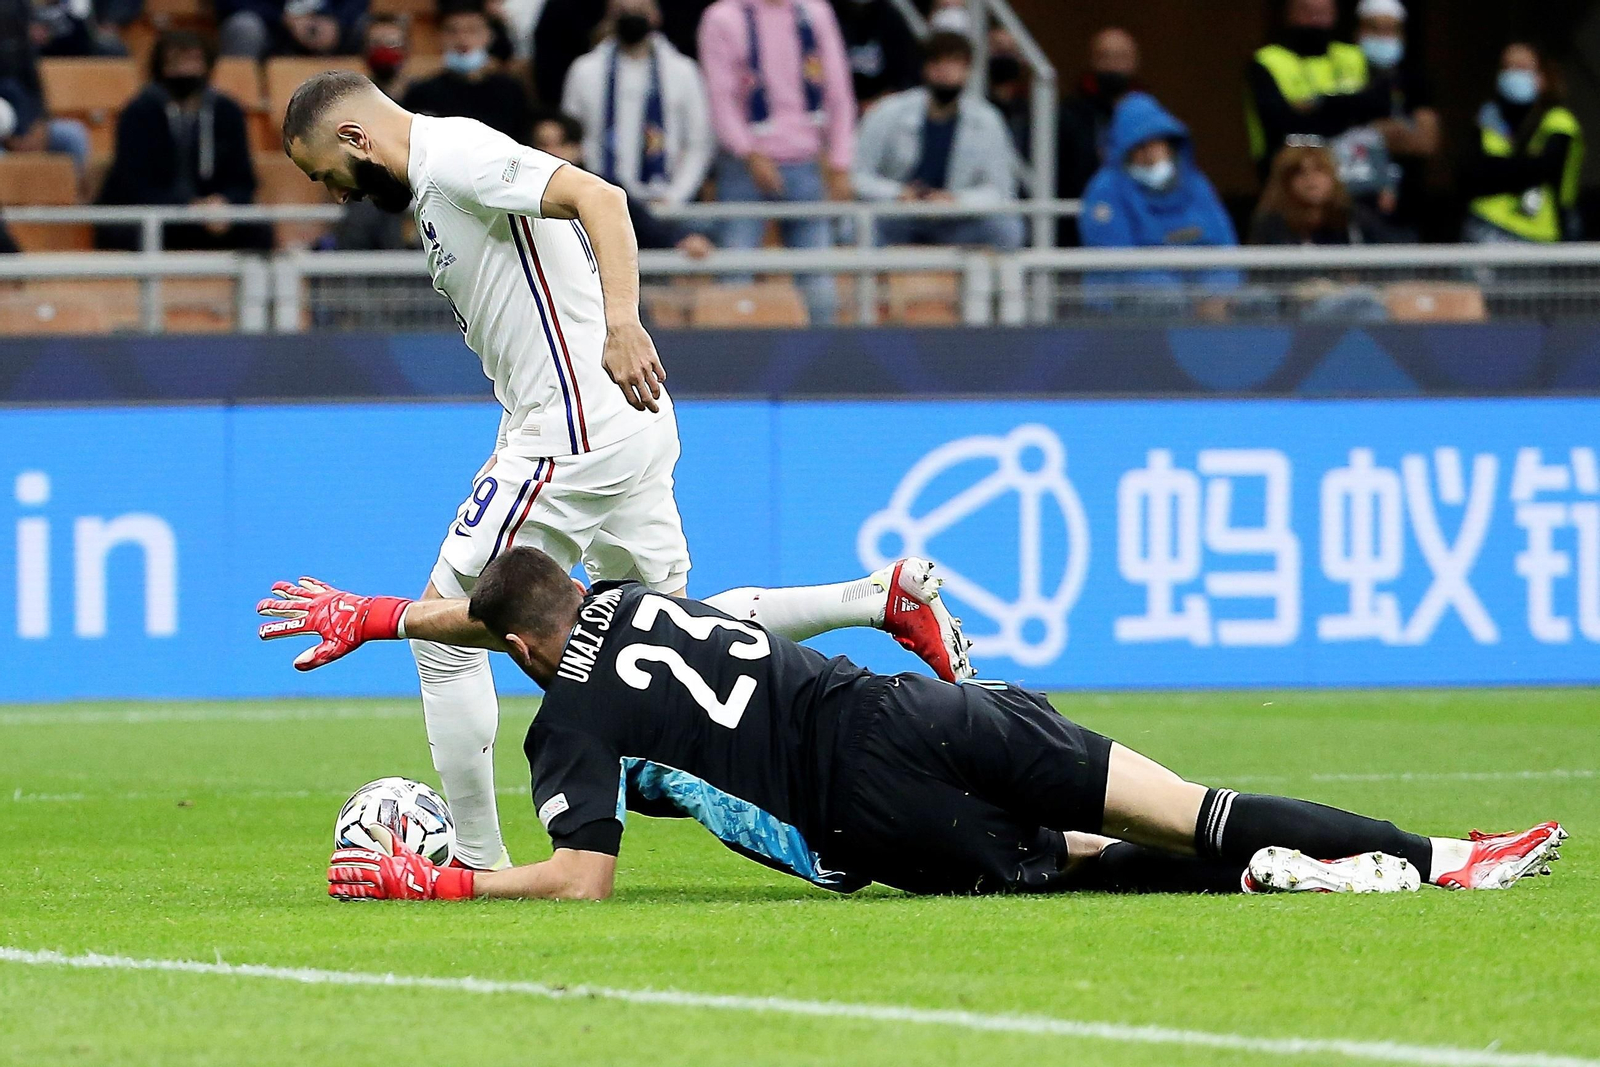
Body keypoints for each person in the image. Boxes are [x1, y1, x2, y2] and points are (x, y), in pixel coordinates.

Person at [278, 71, 971, 871]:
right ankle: (876, 598)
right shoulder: (439, 178)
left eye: (326, 173)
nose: (335, 193)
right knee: (670, 636)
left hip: (574, 429)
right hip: (609, 420)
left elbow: (600, 197)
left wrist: (621, 323)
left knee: (444, 635)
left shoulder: (453, 156)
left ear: (356, 138)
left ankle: (476, 861)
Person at [257, 549, 1567, 901]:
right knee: (1190, 806)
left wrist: (446, 879)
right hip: (914, 704)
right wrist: (389, 615)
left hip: (865, 808)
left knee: (1085, 864)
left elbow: (580, 879)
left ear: (521, 649)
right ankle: (1449, 854)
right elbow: (526, 613)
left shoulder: (569, 724)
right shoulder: (629, 597)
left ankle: (1276, 875)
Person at [698, 0, 856, 326]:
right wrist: (750, 153)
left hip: (806, 161)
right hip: (743, 167)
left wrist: (840, 162)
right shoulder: (723, 17)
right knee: (735, 273)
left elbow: (838, 90)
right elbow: (719, 97)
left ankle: (824, 347)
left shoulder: (814, 13)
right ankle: (730, 351)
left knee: (819, 282)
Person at [96, 31, 265, 251]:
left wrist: (223, 202)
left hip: (213, 215)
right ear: (160, 67)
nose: (185, 71)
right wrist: (187, 206)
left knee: (258, 230)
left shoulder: (227, 111)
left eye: (193, 62)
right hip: (154, 211)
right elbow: (133, 184)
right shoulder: (139, 112)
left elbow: (243, 180)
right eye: (176, 63)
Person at [852, 31, 1021, 250]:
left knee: (1006, 229)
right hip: (898, 215)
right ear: (925, 68)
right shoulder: (887, 112)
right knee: (856, 228)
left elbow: (1000, 190)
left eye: (955, 63)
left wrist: (955, 201)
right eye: (937, 62)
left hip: (955, 220)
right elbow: (857, 176)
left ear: (968, 70)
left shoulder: (988, 120)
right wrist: (898, 193)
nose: (945, 71)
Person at [1078, 92, 1239, 305]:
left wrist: (1218, 292)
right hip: (1131, 306)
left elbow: (1225, 246)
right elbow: (1116, 263)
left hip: (1204, 295)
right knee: (1163, 302)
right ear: (1124, 151)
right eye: (1140, 146)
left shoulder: (1195, 182)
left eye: (1156, 143)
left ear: (1169, 145)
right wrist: (1189, 302)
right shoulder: (1105, 190)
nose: (1150, 154)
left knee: (1258, 301)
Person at [561, 0, 714, 209]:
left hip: (667, 200)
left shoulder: (683, 71)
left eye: (640, 10)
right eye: (623, 11)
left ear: (656, 15)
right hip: (600, 200)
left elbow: (698, 142)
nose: (632, 17)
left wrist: (675, 197)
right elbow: (570, 140)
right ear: (609, 16)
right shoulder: (584, 71)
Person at [533, 107, 713, 257]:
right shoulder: (522, 192)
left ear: (577, 148)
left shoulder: (603, 190)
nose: (551, 152)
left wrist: (683, 240)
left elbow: (647, 228)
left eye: (560, 144)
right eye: (543, 144)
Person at [1245, 0, 1393, 182]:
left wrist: (1319, 105)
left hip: (1358, 172)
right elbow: (1283, 123)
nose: (1315, 20)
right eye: (1307, 11)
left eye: (1323, 12)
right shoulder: (1268, 61)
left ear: (1335, 14)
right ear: (1289, 13)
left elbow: (1381, 107)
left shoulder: (1354, 56)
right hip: (1291, 174)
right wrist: (1350, 109)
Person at [1463, 42, 1585, 244]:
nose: (1513, 75)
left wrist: (1498, 170)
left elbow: (1546, 167)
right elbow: (1470, 173)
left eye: (1521, 68)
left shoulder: (1558, 121)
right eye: (1507, 68)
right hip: (1488, 226)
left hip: (1547, 231)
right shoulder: (1488, 118)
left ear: (1543, 76)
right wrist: (1524, 167)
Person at [1352, 0, 1437, 232]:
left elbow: (1425, 142)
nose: (1383, 37)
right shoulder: (1345, 74)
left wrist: (1364, 131)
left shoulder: (1414, 81)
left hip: (1403, 208)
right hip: (1349, 204)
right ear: (1358, 33)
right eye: (1375, 29)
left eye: (1390, 30)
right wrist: (1393, 132)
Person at [401, 0, 534, 142]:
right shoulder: (422, 94)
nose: (462, 39)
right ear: (439, 36)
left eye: (472, 30)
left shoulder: (511, 91)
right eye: (452, 31)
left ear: (488, 36)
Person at [1058, 27, 1138, 204]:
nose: (1113, 66)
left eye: (1121, 57)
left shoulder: (1147, 119)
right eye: (1105, 57)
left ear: (1134, 62)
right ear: (1092, 61)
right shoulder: (1068, 116)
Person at [828, 0, 919, 108]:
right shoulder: (825, 14)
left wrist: (877, 102)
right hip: (837, 105)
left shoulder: (890, 15)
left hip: (885, 105)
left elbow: (908, 74)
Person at [218, 0, 367, 58]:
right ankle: (237, 104)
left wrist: (338, 23)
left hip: (334, 31)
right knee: (244, 26)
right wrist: (282, 18)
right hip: (272, 30)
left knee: (368, 27)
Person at [362, 15, 410, 99]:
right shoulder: (358, 99)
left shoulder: (423, 96)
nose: (384, 50)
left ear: (406, 50)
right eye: (376, 44)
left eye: (391, 43)